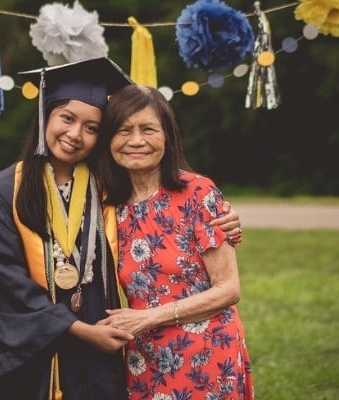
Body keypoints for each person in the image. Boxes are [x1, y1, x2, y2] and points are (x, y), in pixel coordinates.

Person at [0, 57, 243, 400]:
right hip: (34, 363)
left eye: (91, 128)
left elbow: (173, 216)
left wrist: (227, 222)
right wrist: (79, 330)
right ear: (46, 114)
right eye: (67, 118)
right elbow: (0, 285)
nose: (75, 134)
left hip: (104, 361)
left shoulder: (107, 190)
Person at [96, 84, 254, 400]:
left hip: (207, 355)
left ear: (167, 137)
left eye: (148, 129)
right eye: (124, 130)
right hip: (144, 358)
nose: (136, 140)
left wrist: (146, 318)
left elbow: (228, 289)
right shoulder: (107, 205)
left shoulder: (197, 193)